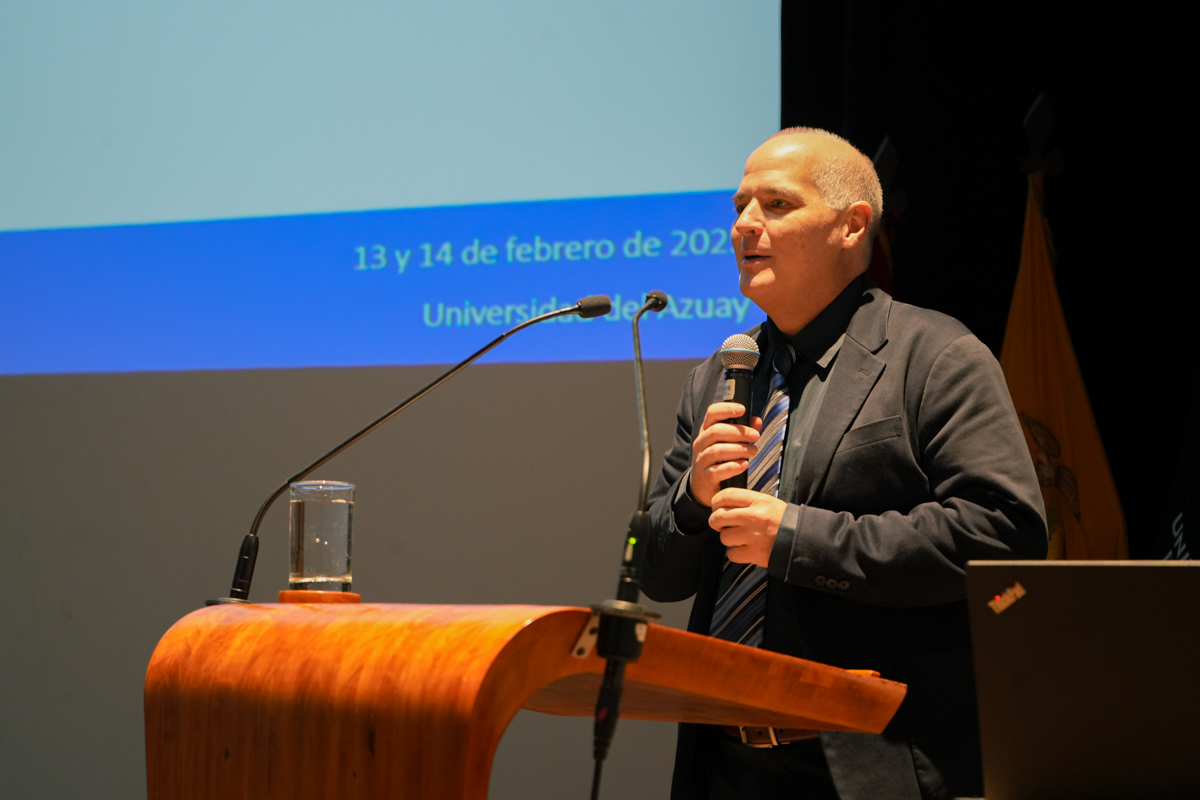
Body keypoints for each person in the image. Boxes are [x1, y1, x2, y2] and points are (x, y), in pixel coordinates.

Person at [641, 128, 1048, 800]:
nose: (743, 225)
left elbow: (1003, 534)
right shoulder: (717, 376)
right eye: (739, 207)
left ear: (852, 225)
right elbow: (655, 573)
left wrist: (797, 538)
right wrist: (693, 499)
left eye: (776, 204)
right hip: (723, 766)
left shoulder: (935, 355)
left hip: (870, 765)